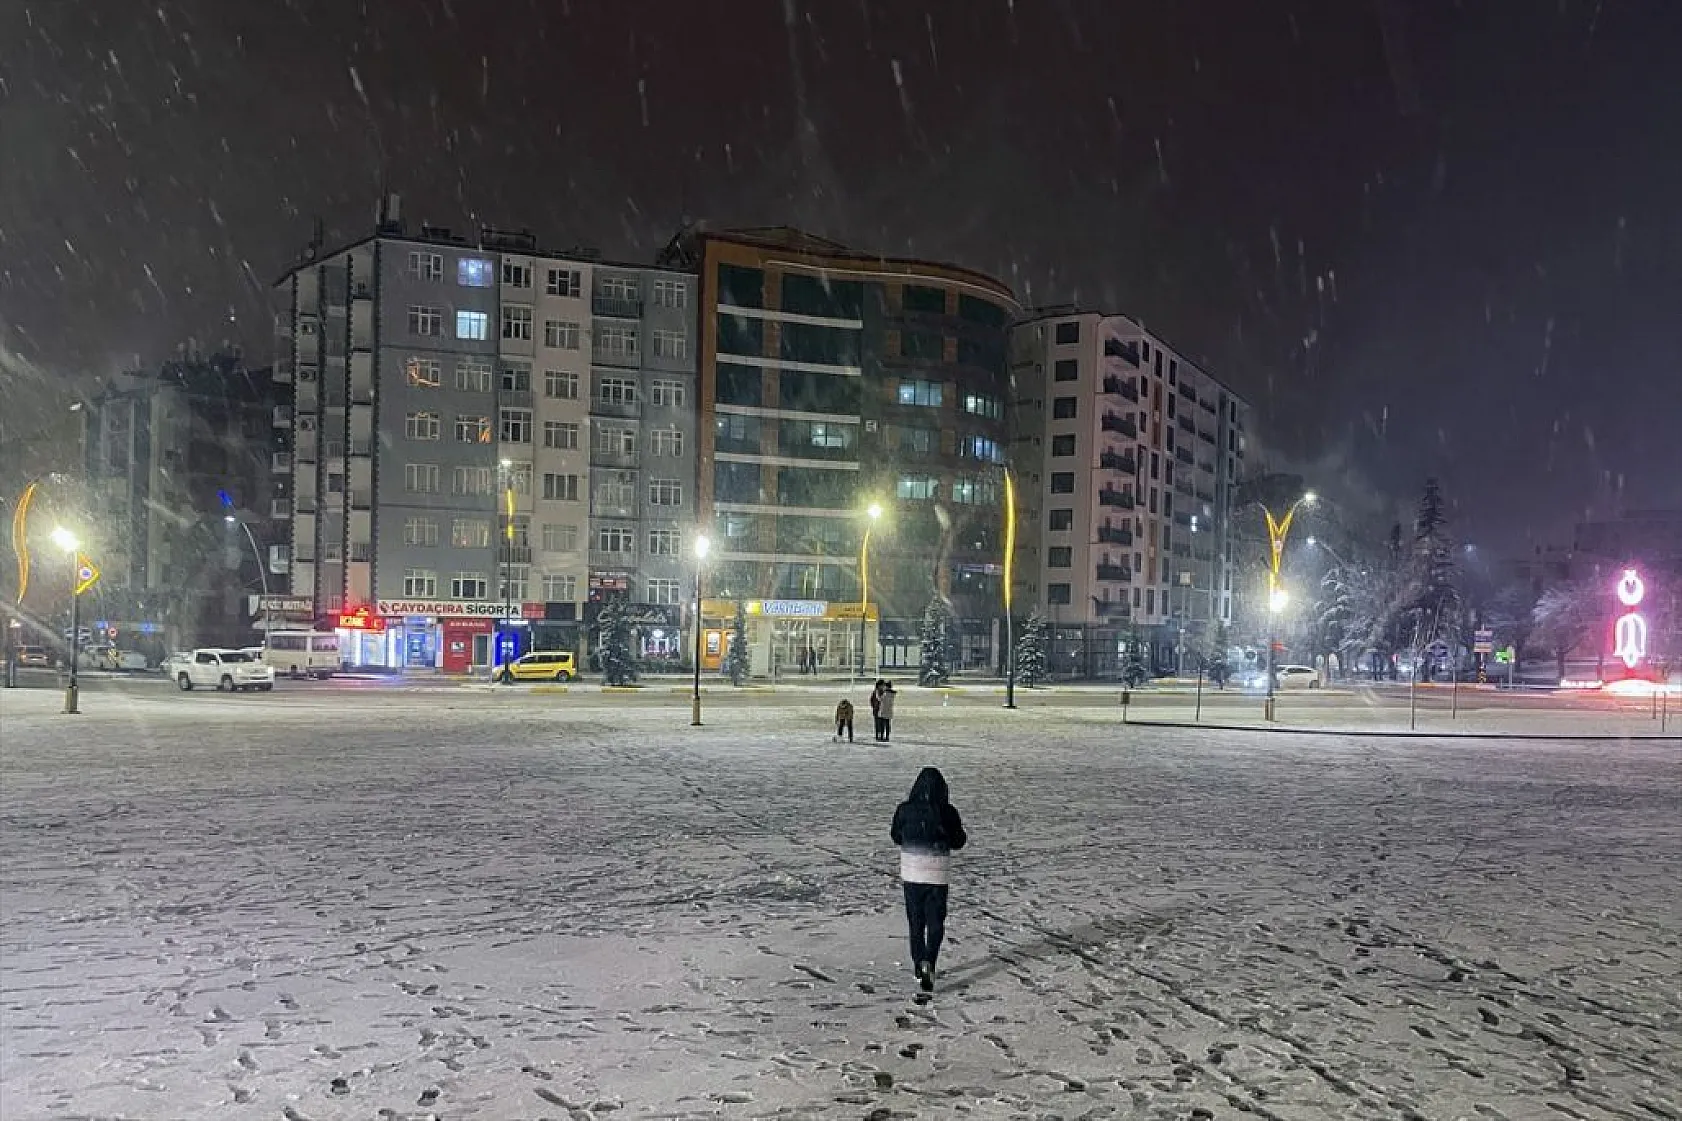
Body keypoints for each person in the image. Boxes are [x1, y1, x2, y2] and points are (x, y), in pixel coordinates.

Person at [890, 766, 967, 992]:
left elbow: (895, 836)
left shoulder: (904, 810)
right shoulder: (947, 812)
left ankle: (919, 962)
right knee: (935, 922)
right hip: (937, 875)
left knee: (916, 922)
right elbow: (959, 841)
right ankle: (930, 962)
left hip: (913, 873)